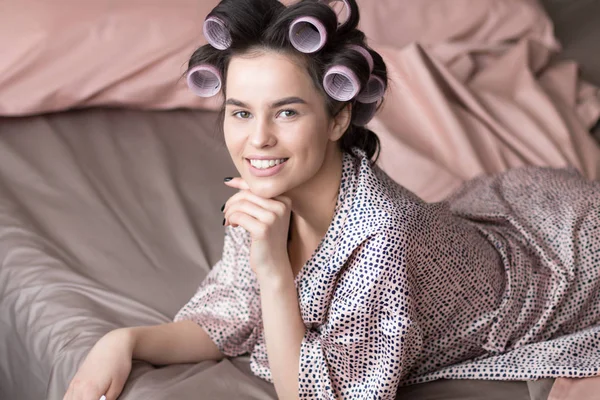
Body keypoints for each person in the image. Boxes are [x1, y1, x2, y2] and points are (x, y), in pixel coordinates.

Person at [64, 0, 600, 399]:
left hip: (565, 257)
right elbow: (226, 318)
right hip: (494, 216)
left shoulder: (381, 234)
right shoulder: (265, 189)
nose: (258, 141)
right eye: (241, 112)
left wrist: (274, 268)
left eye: (288, 112)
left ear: (338, 118)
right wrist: (124, 341)